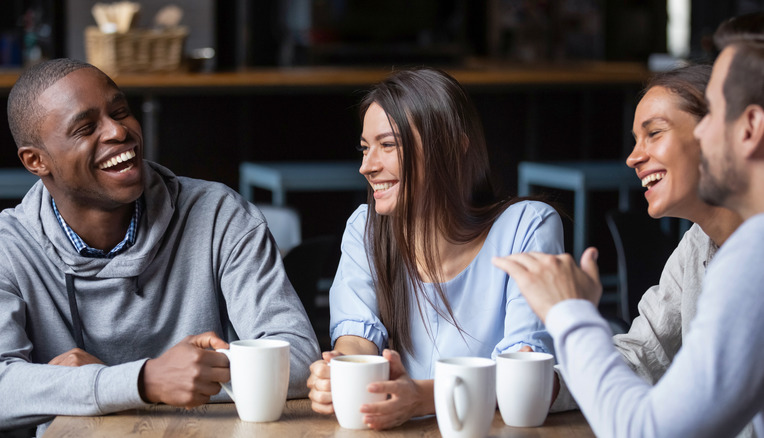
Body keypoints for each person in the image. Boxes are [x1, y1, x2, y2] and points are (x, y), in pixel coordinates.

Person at [0, 58, 320, 435]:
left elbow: (298, 357)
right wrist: (145, 381)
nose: (117, 131)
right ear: (36, 160)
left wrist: (111, 383)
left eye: (121, 111)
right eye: (86, 127)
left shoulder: (220, 216)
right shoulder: (0, 251)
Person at [493, 40, 764, 437]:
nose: (633, 158)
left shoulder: (752, 256)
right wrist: (550, 384)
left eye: (653, 133)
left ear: (747, 128)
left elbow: (648, 429)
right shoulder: (700, 245)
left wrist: (569, 313)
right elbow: (643, 352)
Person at [306, 67, 564, 429]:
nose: (367, 166)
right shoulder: (366, 229)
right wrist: (341, 374)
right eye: (365, 148)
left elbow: (523, 378)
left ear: (453, 148)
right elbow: (356, 341)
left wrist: (421, 397)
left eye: (388, 145)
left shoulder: (526, 227)